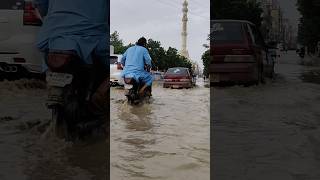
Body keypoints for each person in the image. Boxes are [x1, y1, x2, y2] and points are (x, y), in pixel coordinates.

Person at [34, 0, 109, 122]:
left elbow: (41, 5)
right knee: (111, 64)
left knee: (47, 49)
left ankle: (52, 87)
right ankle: (100, 95)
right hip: (91, 32)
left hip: (53, 33)